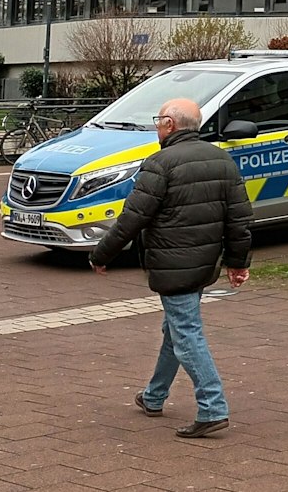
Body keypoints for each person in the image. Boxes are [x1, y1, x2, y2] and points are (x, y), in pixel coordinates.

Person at [90, 97, 252, 439]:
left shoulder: (160, 163)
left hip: (172, 264)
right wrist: (237, 263)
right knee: (175, 329)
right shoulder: (222, 160)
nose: (156, 127)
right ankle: (154, 396)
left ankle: (213, 407)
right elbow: (239, 219)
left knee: (186, 333)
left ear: (170, 125)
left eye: (158, 120)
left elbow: (133, 218)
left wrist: (102, 254)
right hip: (204, 262)